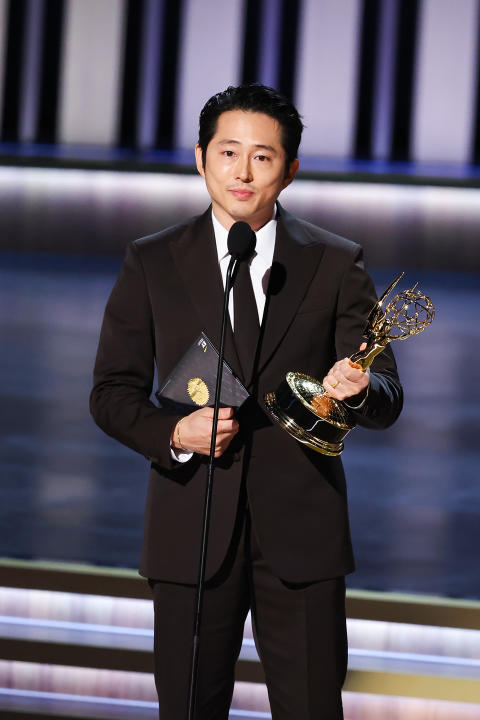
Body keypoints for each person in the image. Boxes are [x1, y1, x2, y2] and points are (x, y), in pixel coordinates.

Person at [90, 83, 403, 720]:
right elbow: (112, 394)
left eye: (262, 157)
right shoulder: (153, 261)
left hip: (303, 534)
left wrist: (361, 389)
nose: (242, 170)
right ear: (200, 157)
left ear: (290, 170)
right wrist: (176, 435)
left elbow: (389, 392)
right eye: (228, 152)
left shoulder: (336, 263)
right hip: (191, 527)